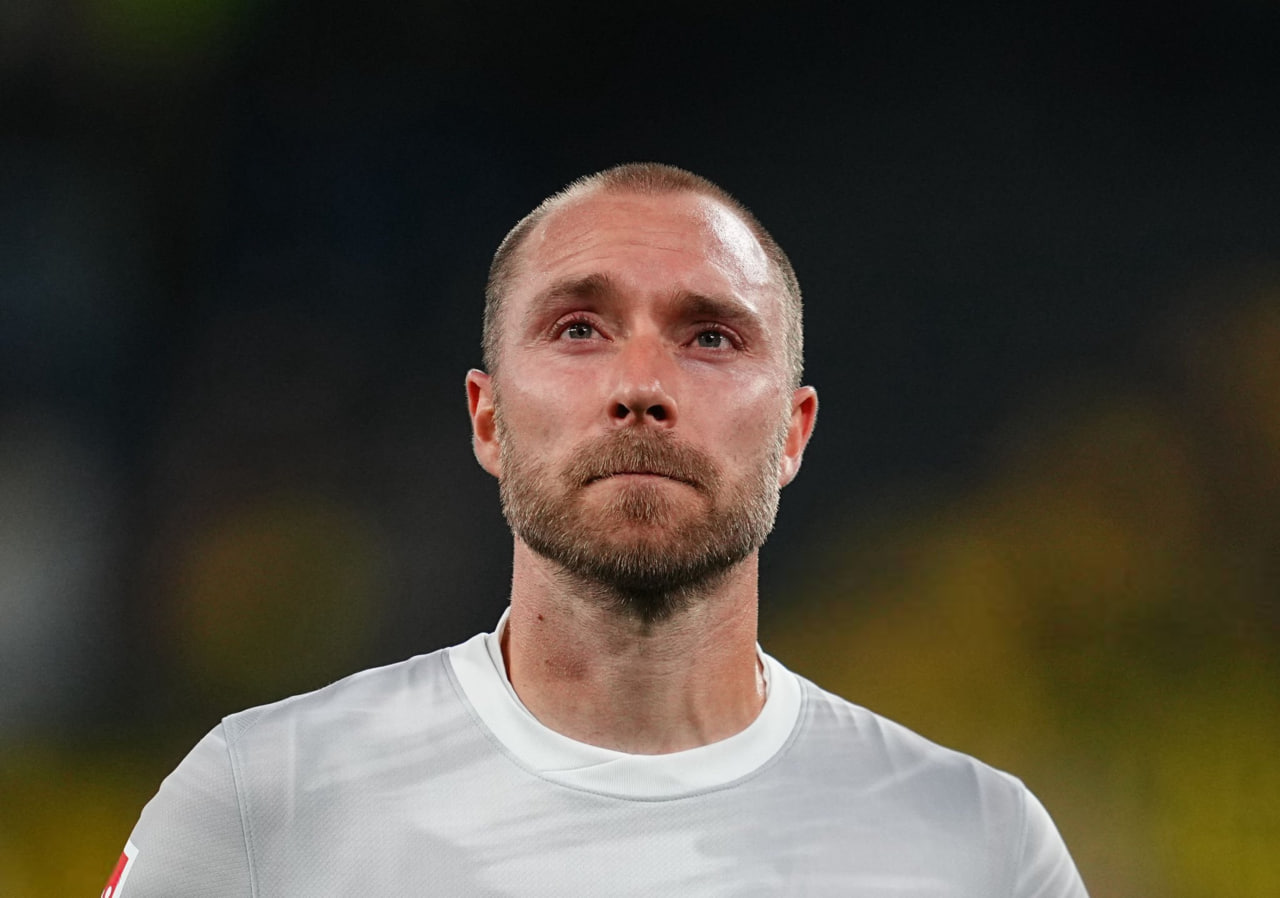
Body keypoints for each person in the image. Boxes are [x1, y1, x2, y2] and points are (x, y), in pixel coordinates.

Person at [104, 163, 1089, 896]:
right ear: (487, 418)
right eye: (579, 329)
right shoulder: (265, 801)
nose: (641, 387)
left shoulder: (978, 844)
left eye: (710, 336)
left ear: (792, 434)